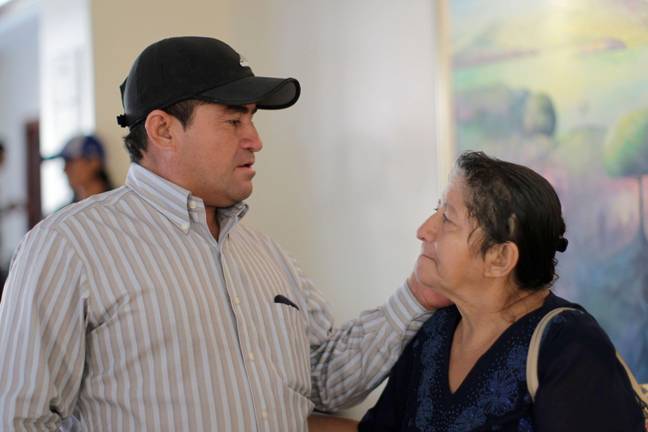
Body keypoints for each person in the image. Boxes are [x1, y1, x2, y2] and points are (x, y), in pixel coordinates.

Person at [0, 36, 448, 431]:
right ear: (162, 130)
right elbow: (19, 417)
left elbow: (325, 382)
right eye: (233, 121)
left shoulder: (264, 255)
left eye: (251, 120)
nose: (254, 139)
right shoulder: (68, 247)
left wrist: (418, 294)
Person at [358, 151, 646, 431]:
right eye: (437, 210)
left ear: (500, 258)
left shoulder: (569, 347)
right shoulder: (434, 332)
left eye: (447, 218)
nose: (424, 230)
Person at [43, 134, 114, 204]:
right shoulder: (66, 212)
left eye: (70, 161)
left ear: (94, 162)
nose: (65, 169)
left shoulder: (120, 206)